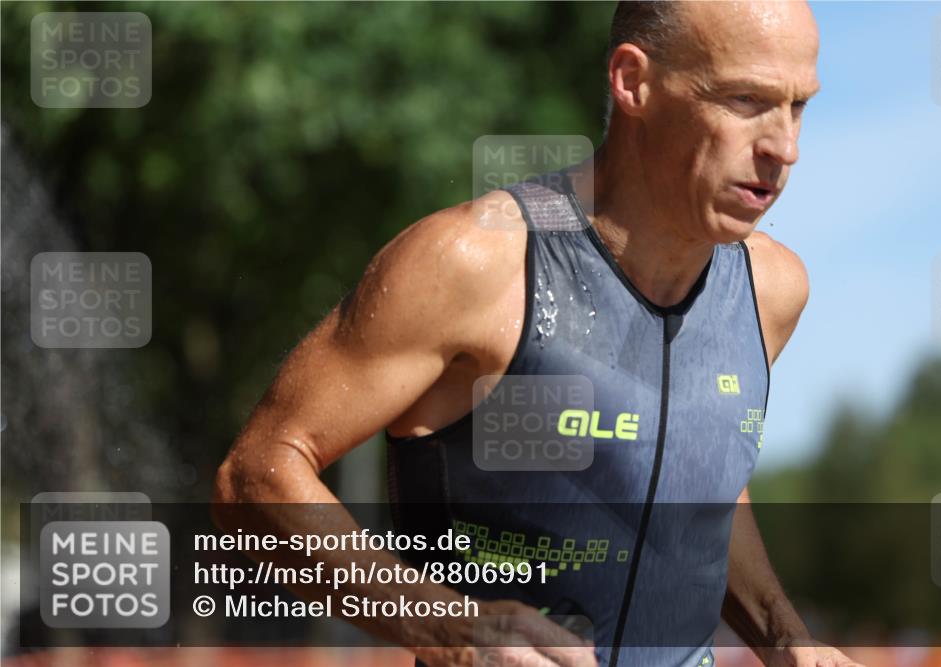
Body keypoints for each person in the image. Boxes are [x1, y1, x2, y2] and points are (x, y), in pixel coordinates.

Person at [214, 2, 866, 666]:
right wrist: (447, 627)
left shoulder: (773, 290)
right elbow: (253, 478)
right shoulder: (477, 262)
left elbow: (699, 480)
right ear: (632, 81)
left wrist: (784, 634)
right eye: (745, 99)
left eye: (798, 107)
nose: (784, 147)